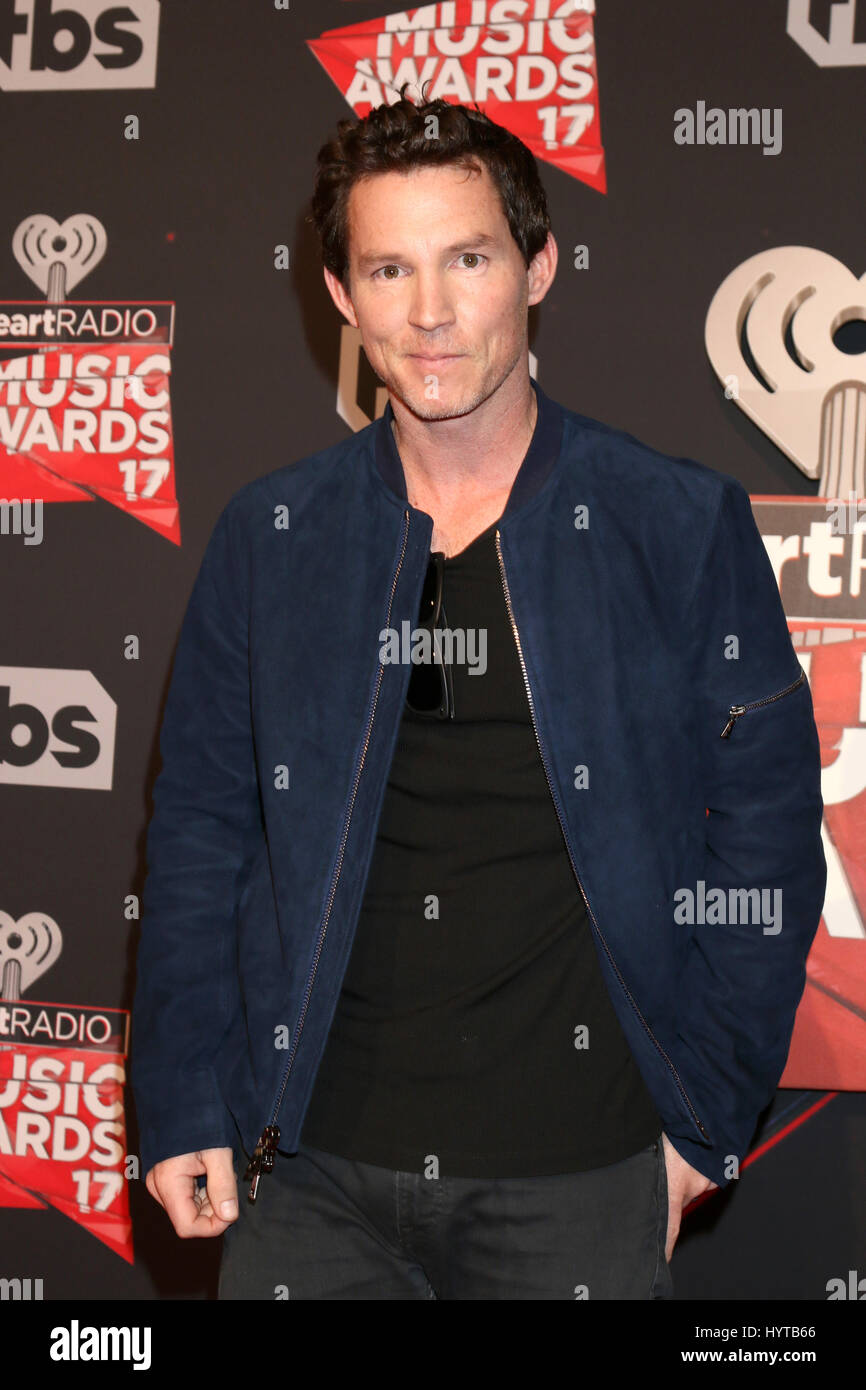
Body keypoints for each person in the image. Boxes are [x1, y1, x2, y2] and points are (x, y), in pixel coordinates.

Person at [131, 90, 827, 1300]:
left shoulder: (672, 521)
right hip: (308, 1180)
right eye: (388, 269)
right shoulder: (274, 534)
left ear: (538, 266)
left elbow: (763, 833)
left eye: (467, 259)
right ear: (342, 298)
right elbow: (201, 828)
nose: (432, 313)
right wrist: (186, 1092)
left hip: (582, 1174)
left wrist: (697, 1119)